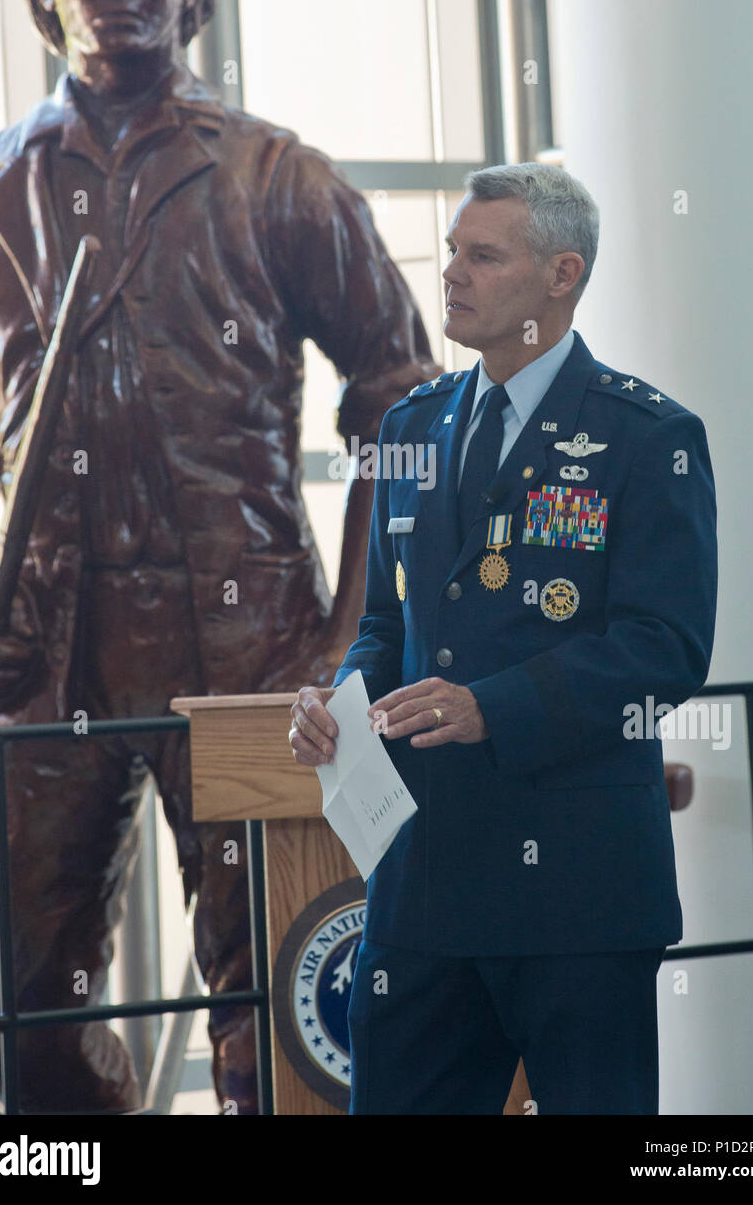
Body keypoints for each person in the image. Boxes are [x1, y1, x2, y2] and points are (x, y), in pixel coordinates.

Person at [0, 0, 437, 1114]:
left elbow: (402, 396)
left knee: (273, 1007)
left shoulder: (282, 178)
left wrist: (345, 637)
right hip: (48, 653)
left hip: (250, 650)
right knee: (17, 1035)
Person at [290, 162, 718, 1114]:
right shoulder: (410, 427)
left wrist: (495, 707)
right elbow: (385, 625)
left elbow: (667, 645)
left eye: (482, 257)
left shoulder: (646, 437)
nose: (451, 273)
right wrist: (337, 700)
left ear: (560, 275)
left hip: (575, 889)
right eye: (452, 251)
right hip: (422, 889)